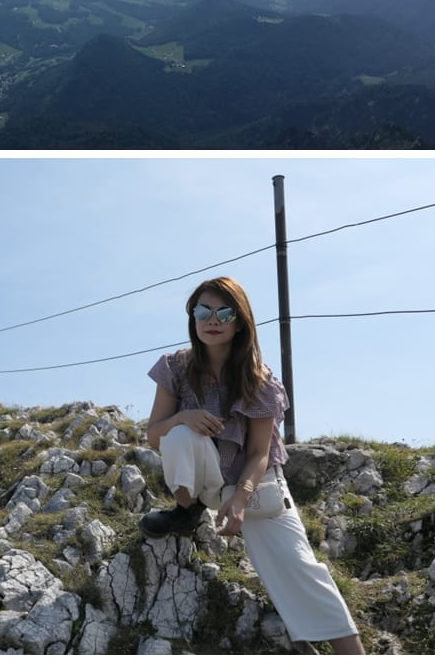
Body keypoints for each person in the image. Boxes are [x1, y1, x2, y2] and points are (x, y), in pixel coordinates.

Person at [141, 277, 362, 654]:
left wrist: (242, 498)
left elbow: (260, 453)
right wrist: (185, 417)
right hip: (206, 478)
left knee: (299, 568)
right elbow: (154, 434)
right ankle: (186, 511)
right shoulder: (175, 367)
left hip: (254, 484)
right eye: (203, 311)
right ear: (192, 316)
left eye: (224, 312)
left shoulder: (258, 379)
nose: (213, 320)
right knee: (178, 437)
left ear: (240, 321)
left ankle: (351, 654)